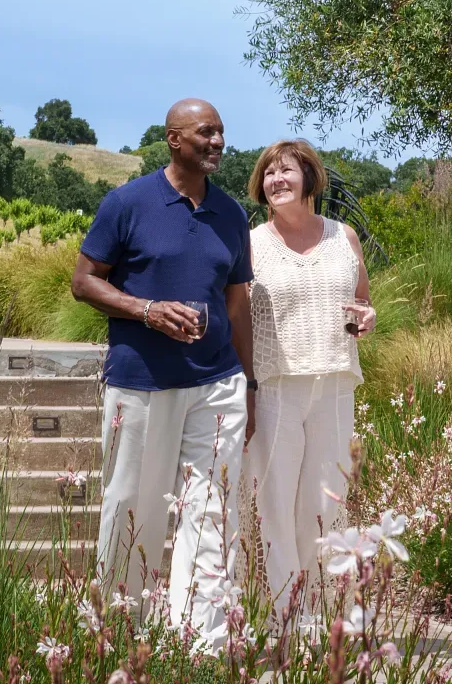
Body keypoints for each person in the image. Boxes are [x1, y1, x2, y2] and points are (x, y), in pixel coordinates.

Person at [70, 98, 256, 647]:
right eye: (206, 132)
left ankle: (202, 642)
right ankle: (118, 630)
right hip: (142, 380)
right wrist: (146, 310)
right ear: (174, 139)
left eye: (221, 132)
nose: (218, 141)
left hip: (218, 381)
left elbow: (237, 304)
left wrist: (251, 382)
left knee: (211, 508)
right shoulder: (127, 202)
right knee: (133, 503)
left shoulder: (231, 214)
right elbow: (84, 281)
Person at [241, 139, 375, 620]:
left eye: (286, 171)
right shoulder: (251, 243)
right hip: (275, 385)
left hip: (335, 384)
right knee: (273, 502)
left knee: (326, 502)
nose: (276, 180)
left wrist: (367, 317)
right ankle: (278, 616)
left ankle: (318, 615)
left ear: (310, 178)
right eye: (269, 173)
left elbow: (361, 300)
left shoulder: (346, 236)